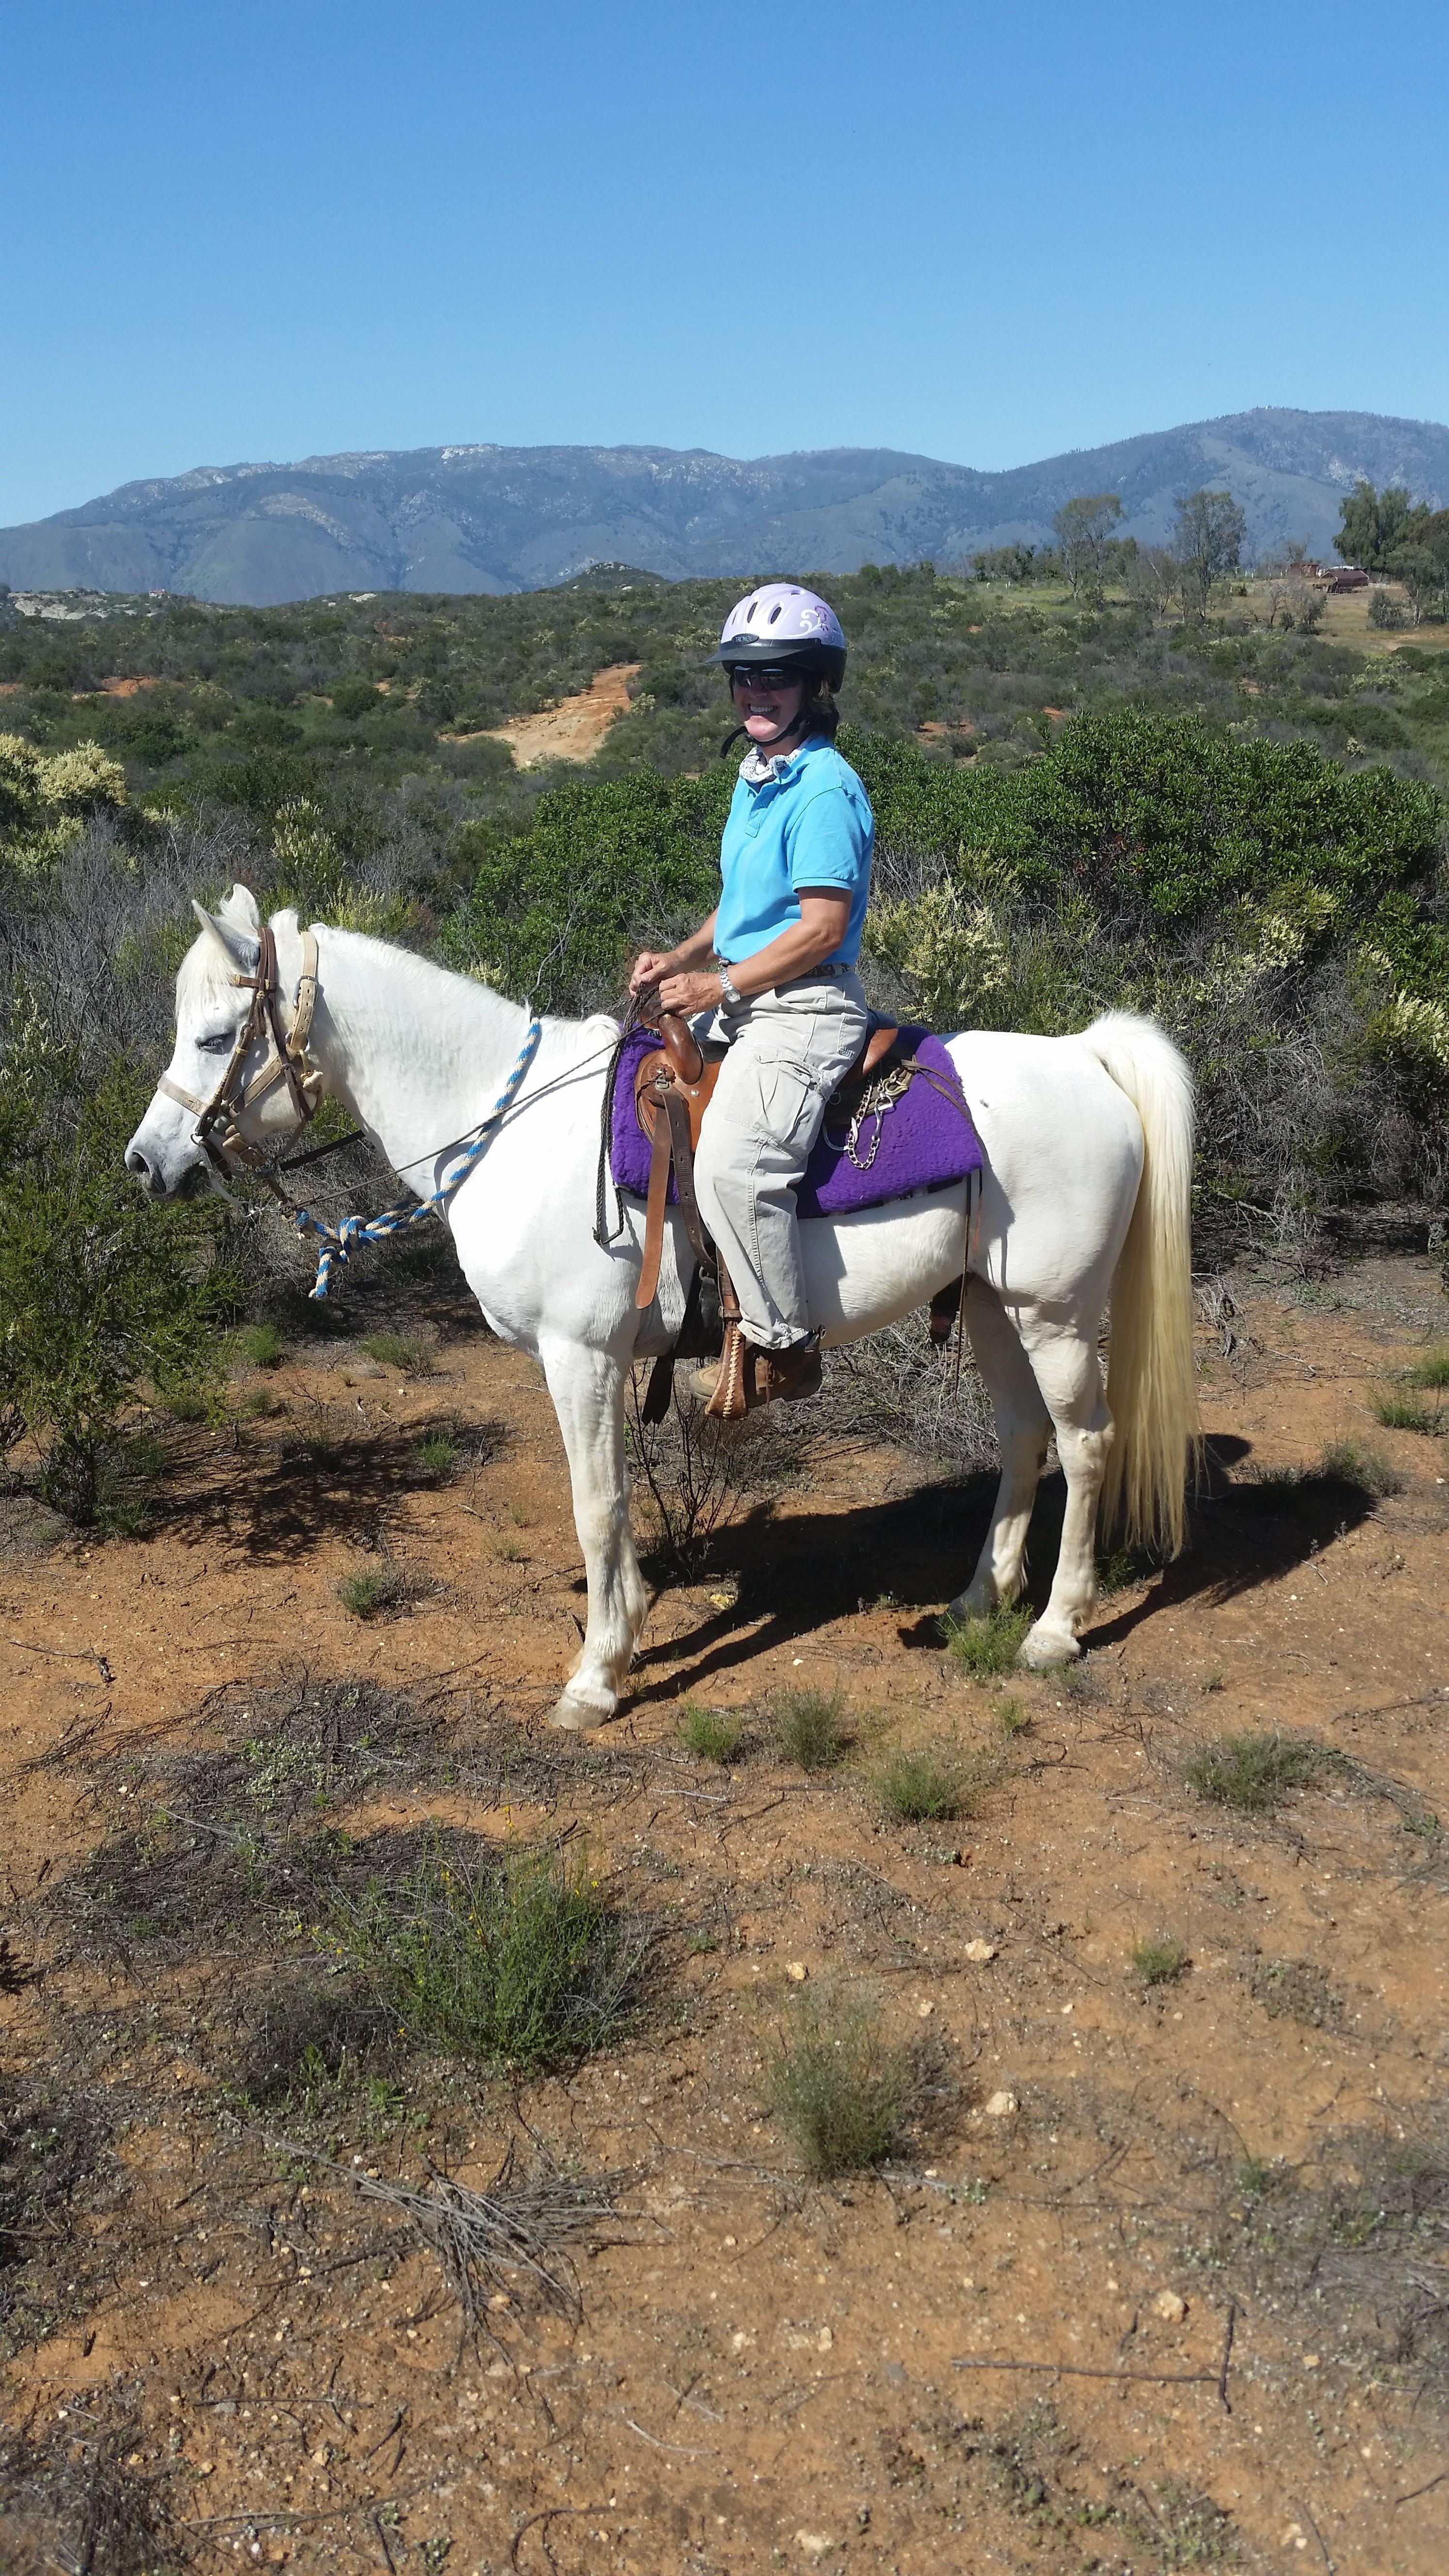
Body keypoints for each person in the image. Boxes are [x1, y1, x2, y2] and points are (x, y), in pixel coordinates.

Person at [629, 583, 874, 1408]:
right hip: (745, 995)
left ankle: (783, 1343)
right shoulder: (760, 776)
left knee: (736, 1165)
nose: (754, 692)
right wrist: (681, 957)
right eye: (742, 677)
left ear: (815, 686)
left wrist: (720, 982)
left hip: (804, 1008)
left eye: (775, 676)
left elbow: (819, 926)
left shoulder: (824, 790)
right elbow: (741, 905)